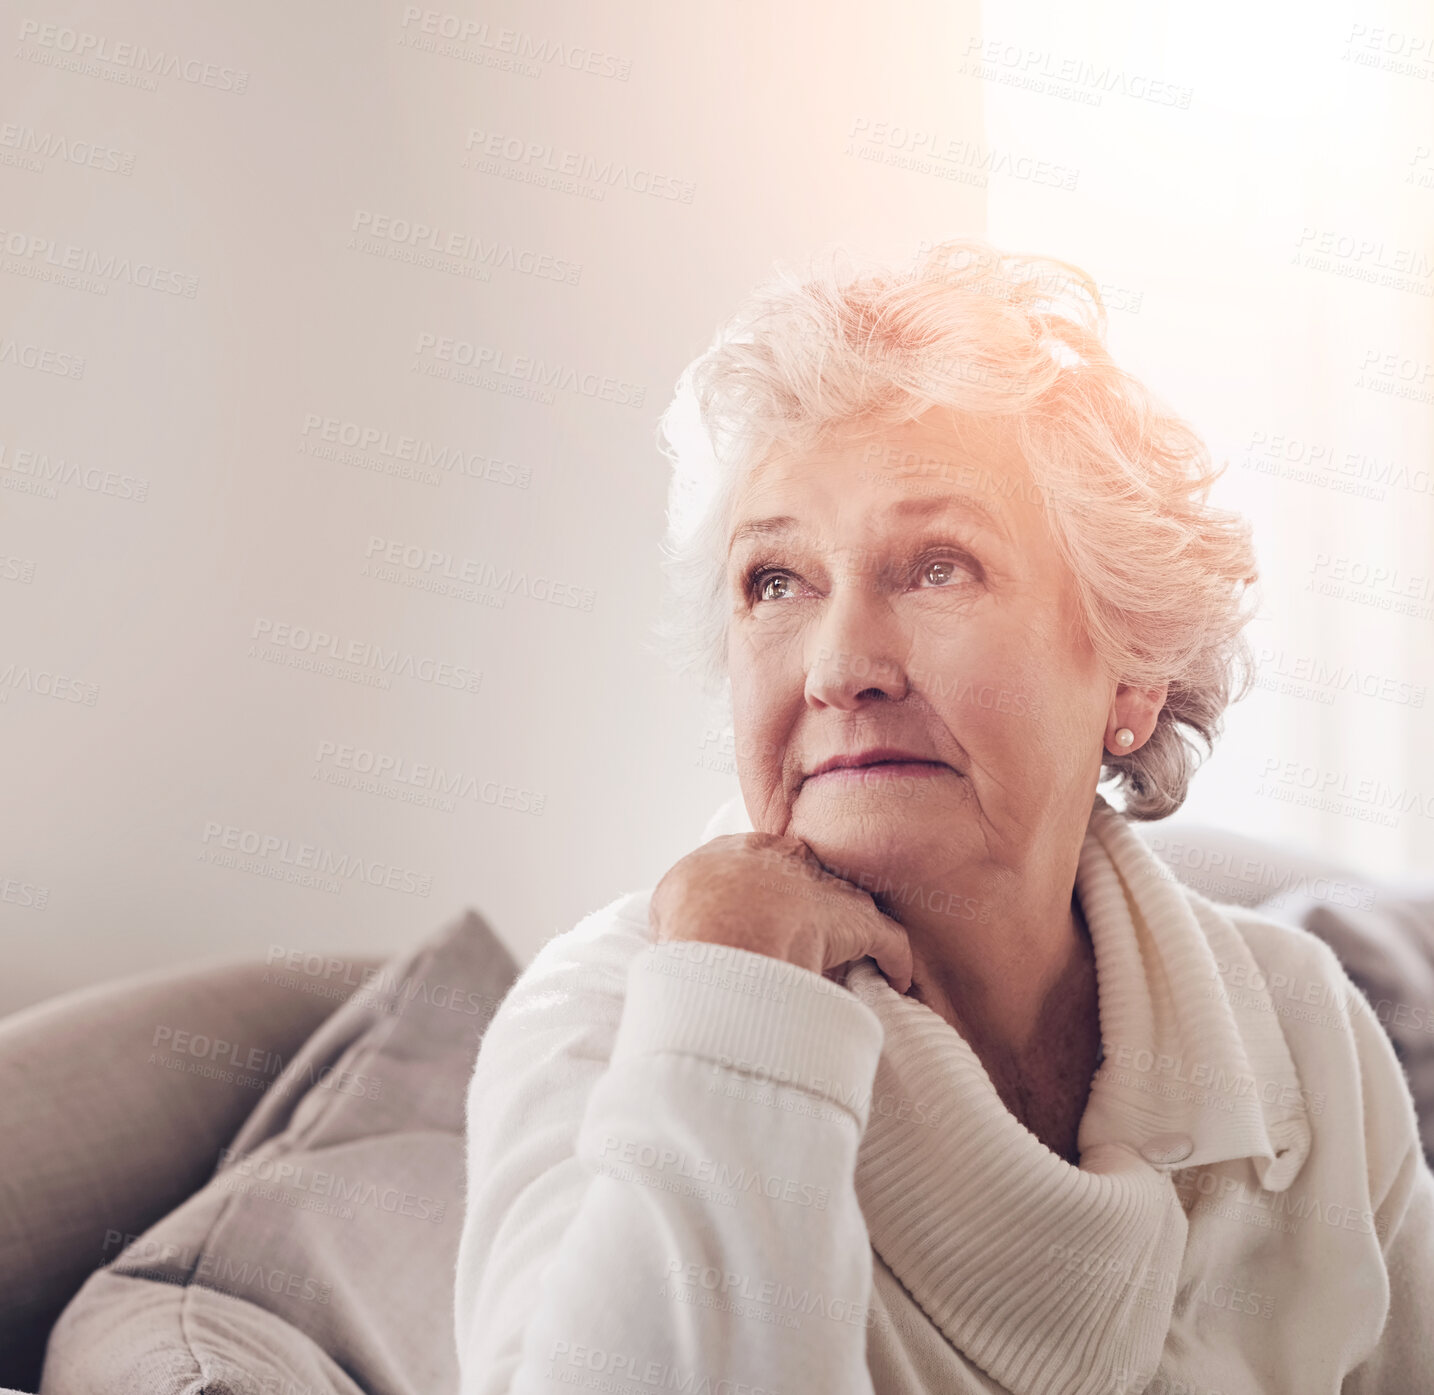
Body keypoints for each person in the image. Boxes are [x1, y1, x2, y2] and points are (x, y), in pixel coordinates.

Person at [454, 239, 1434, 1394]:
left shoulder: (1296, 1021)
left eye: (936, 568)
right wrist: (736, 988)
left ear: (1129, 674)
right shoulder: (604, 1020)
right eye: (777, 582)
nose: (839, 667)